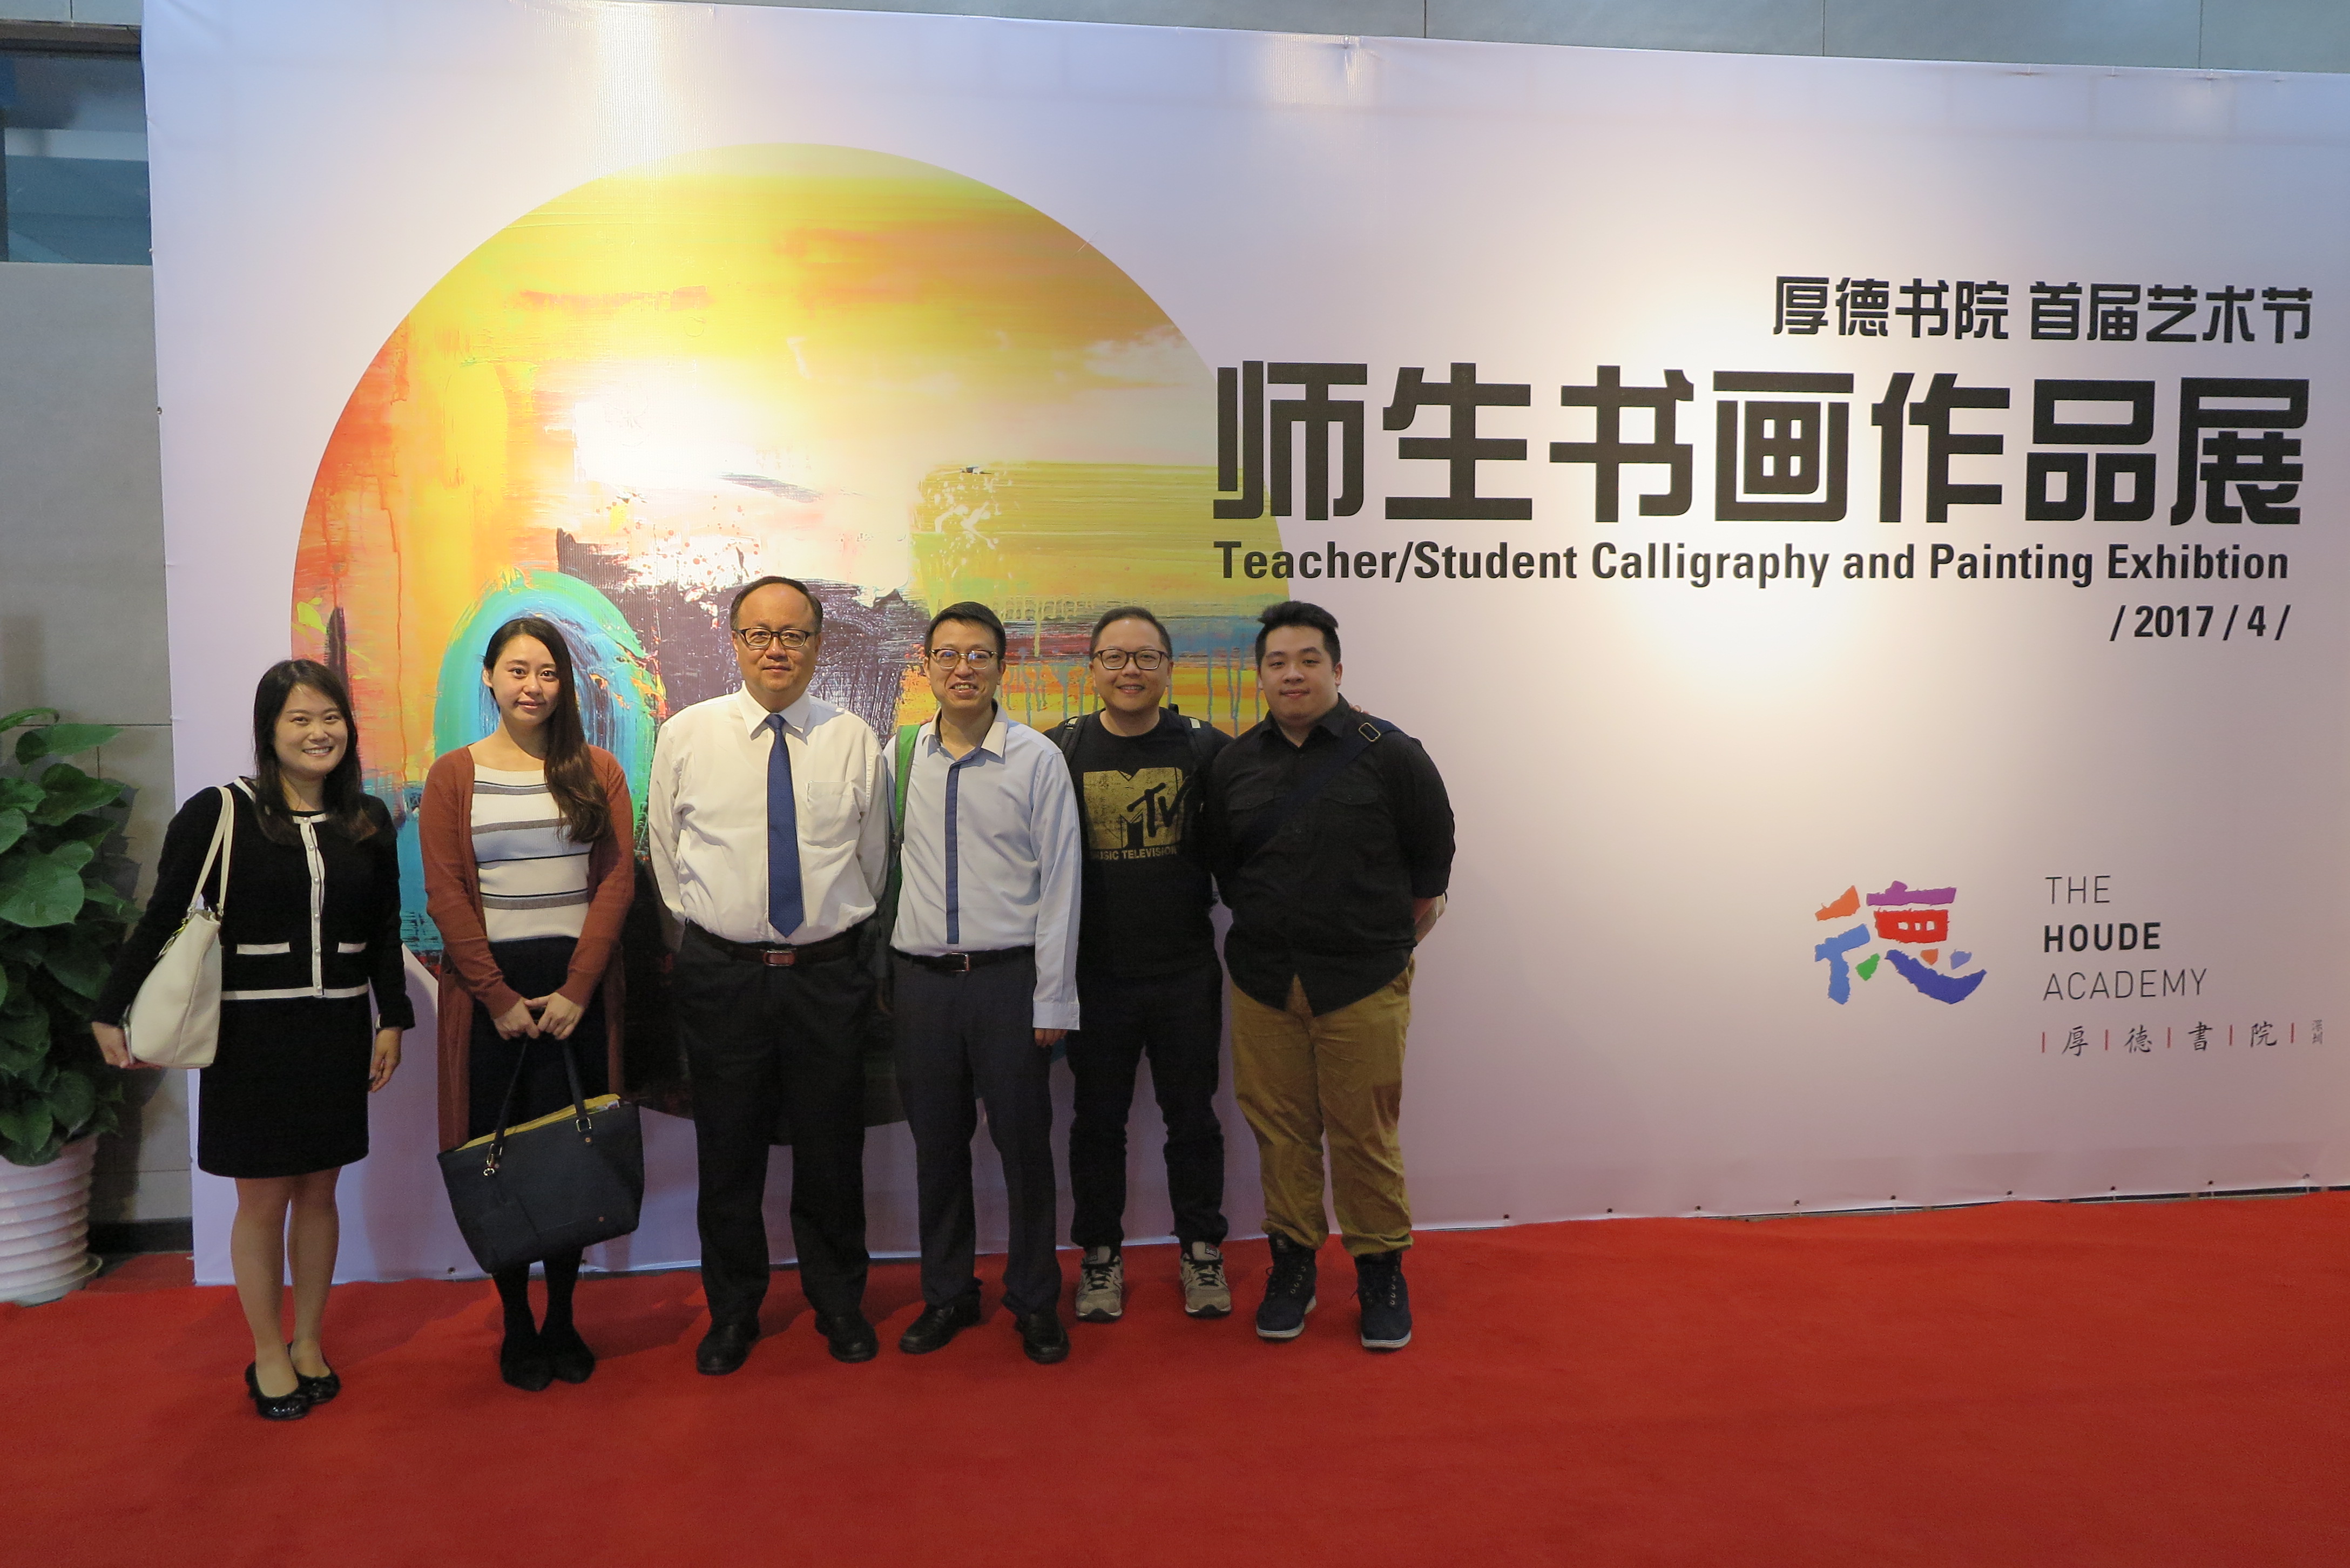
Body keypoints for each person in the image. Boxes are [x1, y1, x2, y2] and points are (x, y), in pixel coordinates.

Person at [92, 660, 411, 1419]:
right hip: (250, 1038)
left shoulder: (368, 818)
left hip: (336, 1030)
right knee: (263, 1201)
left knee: (321, 1193)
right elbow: (164, 915)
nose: (318, 732)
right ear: (269, 730)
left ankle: (309, 1340)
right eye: (300, 719)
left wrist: (392, 1017)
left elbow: (383, 929)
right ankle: (268, 1351)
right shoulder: (220, 812)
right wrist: (111, 1007)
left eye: (330, 717)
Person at [647, 575, 890, 1375]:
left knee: (832, 1150)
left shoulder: (853, 738)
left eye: (794, 635)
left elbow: (872, 861)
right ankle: (733, 1312)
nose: (776, 649)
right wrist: (721, 934)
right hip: (725, 975)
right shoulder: (687, 735)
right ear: (735, 642)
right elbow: (668, 860)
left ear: (818, 644)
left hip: (827, 975)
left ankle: (839, 1302)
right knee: (728, 1152)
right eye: (760, 634)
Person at [1203, 601, 1454, 1352]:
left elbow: (1431, 874)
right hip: (1263, 983)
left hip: (1362, 984)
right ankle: (1292, 1266)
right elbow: (1226, 869)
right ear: (1260, 676)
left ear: (1336, 669)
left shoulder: (1393, 755)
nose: (1293, 674)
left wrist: (1380, 945)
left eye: (1309, 660)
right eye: (1278, 662)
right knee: (1280, 1134)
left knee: (1364, 1134)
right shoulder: (1233, 764)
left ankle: (1380, 1271)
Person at [419, 617, 636, 1391]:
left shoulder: (596, 770)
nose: (532, 687)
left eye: (547, 673)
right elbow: (445, 893)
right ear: (490, 677)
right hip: (493, 996)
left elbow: (616, 880)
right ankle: (516, 1321)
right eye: (517, 671)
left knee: (573, 1156)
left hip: (576, 988)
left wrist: (579, 988)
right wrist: (497, 997)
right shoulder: (454, 776)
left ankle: (564, 1317)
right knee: (501, 1157)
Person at [888, 600, 1083, 1365]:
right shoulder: (901, 757)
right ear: (927, 666)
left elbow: (1062, 885)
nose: (961, 668)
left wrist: (1054, 996)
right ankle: (948, 1294)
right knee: (937, 1149)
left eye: (978, 655)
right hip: (923, 985)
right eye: (947, 654)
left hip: (1009, 982)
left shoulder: (1036, 759)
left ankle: (1035, 1298)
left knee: (1025, 1150)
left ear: (1003, 667)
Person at [1041, 606, 1232, 1323]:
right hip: (1095, 978)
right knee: (1097, 1124)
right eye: (1115, 657)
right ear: (1092, 669)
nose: (1131, 670)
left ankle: (1202, 1251)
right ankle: (1100, 1258)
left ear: (1167, 669)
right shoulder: (1059, 749)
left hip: (1185, 973)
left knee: (1194, 1121)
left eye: (1147, 657)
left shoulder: (1205, 747)